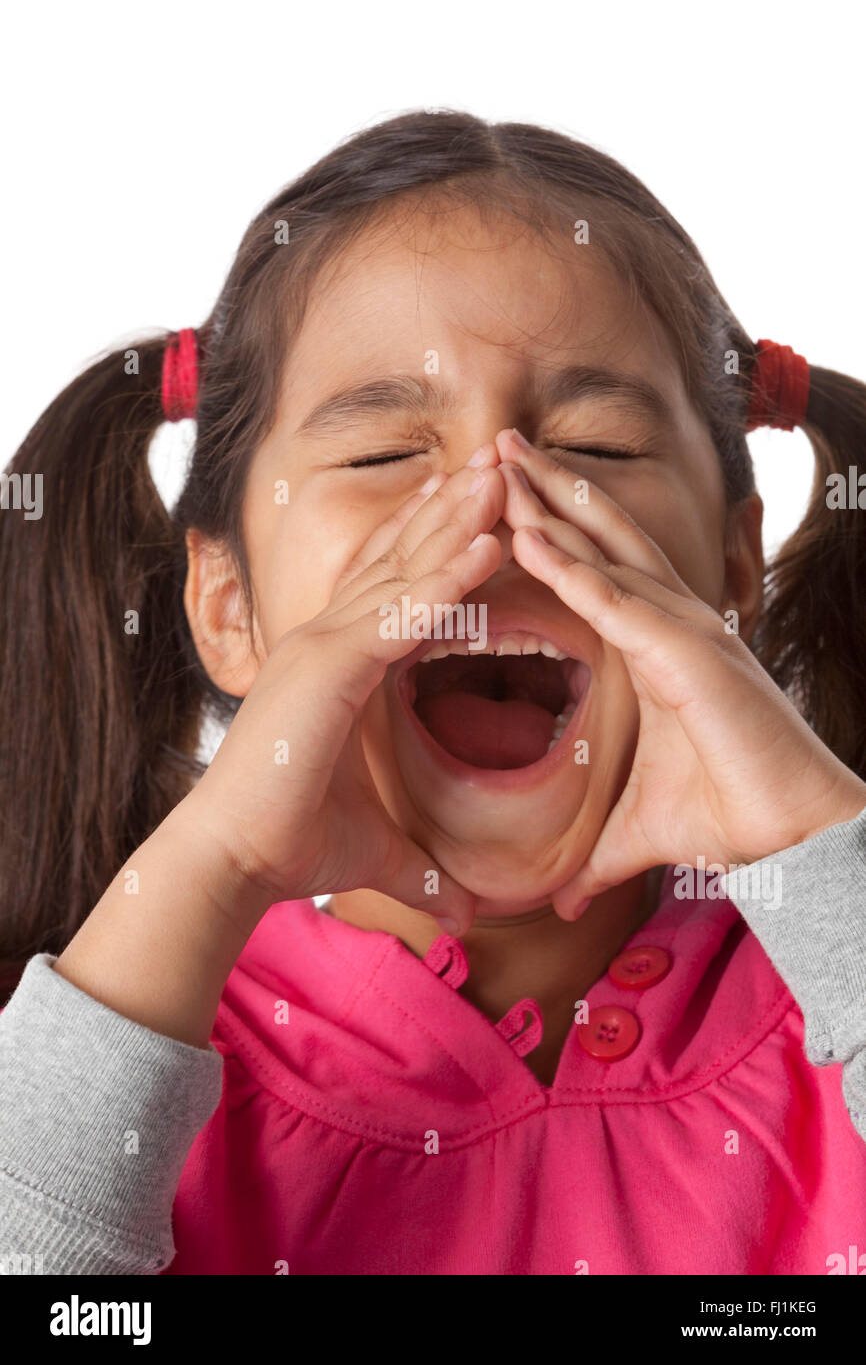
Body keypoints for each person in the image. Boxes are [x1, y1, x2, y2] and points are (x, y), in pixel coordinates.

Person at [2, 110, 866, 1276]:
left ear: (727, 570)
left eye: (599, 449)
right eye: (378, 457)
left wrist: (819, 854)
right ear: (228, 607)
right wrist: (205, 867)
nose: (496, 516)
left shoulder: (834, 1014)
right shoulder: (113, 1041)